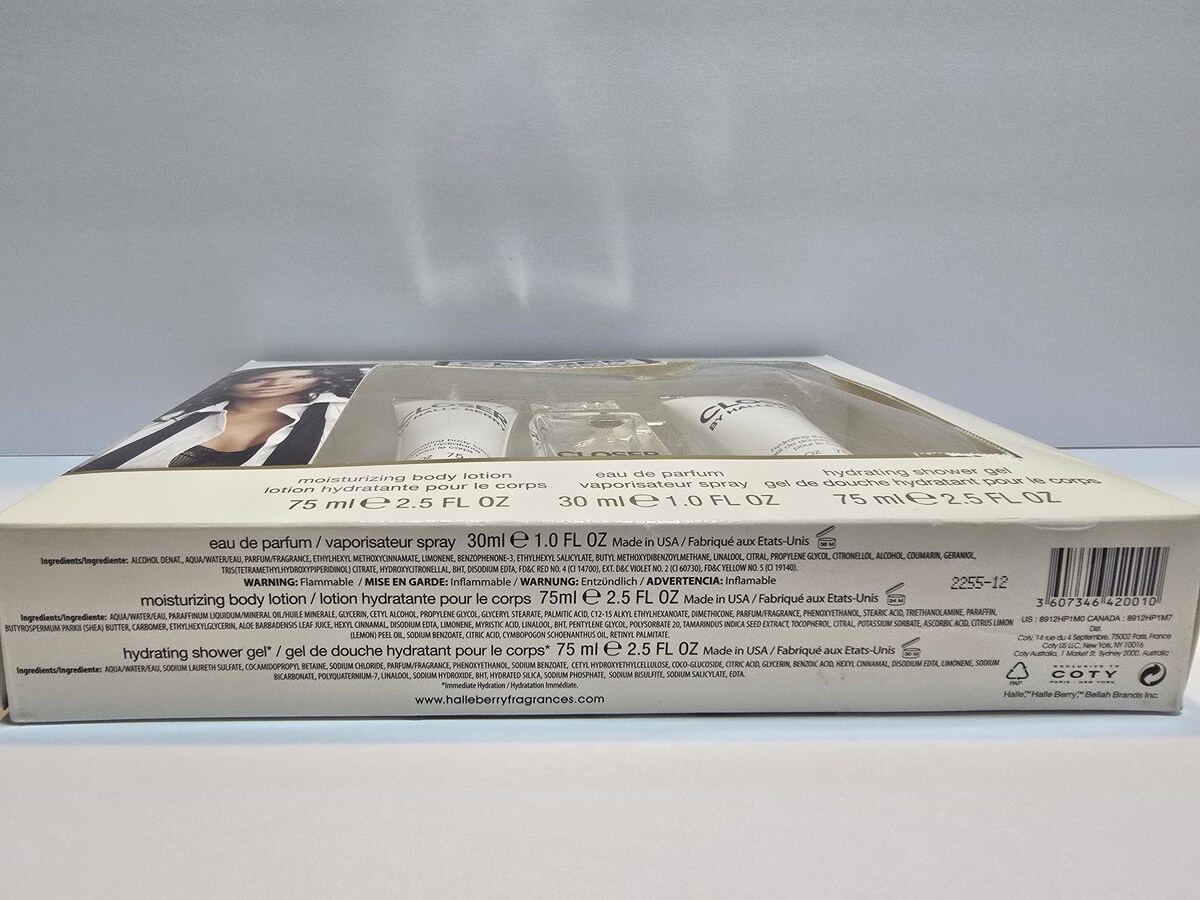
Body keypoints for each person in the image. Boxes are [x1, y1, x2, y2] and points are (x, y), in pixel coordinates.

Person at [75, 365, 370, 471]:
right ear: (233, 384)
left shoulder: (334, 413)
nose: (276, 383)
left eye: (301, 376)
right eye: (259, 378)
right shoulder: (179, 420)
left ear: (316, 382)